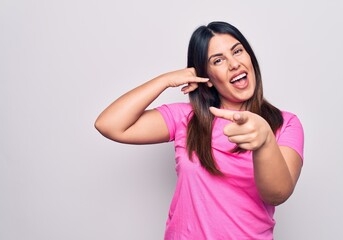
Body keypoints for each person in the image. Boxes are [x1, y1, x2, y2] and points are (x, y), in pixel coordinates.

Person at [95, 21, 304, 240]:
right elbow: (109, 124)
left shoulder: (286, 124)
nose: (234, 64)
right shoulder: (185, 119)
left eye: (238, 51)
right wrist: (165, 80)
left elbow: (277, 194)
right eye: (218, 60)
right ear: (208, 77)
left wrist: (265, 140)